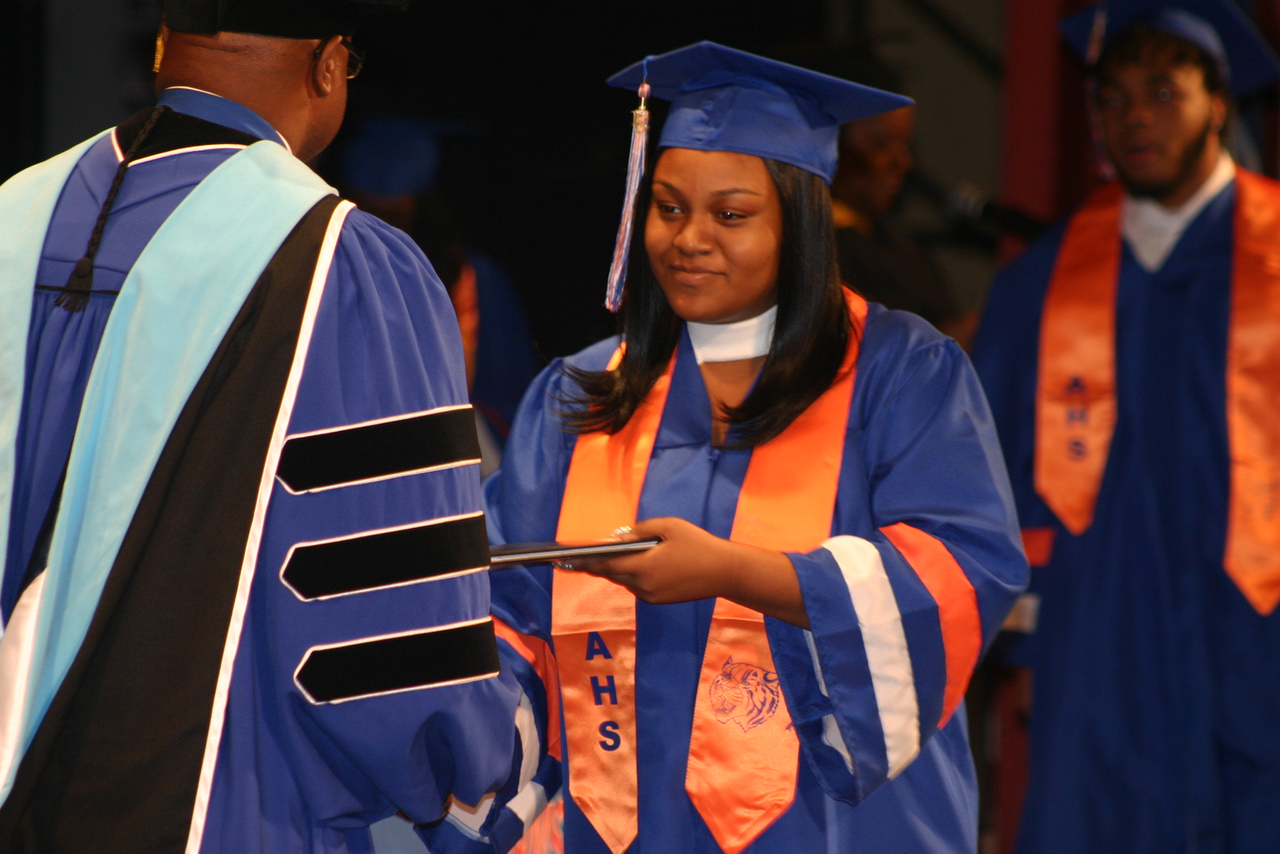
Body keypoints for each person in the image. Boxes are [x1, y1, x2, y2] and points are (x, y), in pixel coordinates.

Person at [432, 41, 1027, 853]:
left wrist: (736, 573)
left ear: (800, 224)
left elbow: (959, 569)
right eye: (669, 207)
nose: (690, 238)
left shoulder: (902, 374)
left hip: (835, 824)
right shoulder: (583, 394)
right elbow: (509, 610)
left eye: (731, 215)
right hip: (622, 822)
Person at [0, 1, 526, 851]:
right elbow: (390, 657)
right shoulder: (338, 265)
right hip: (230, 811)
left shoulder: (12, 215)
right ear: (328, 65)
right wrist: (482, 766)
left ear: (165, 44)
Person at [972, 2, 1280, 851]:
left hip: (1260, 629)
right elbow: (990, 476)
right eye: (1112, 97)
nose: (1135, 117)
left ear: (1219, 102)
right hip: (1099, 634)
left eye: (1163, 91)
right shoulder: (1040, 284)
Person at [829, 103, 975, 347]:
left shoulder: (899, 240)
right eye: (880, 144)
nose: (903, 162)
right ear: (833, 146)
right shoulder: (818, 247)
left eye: (905, 145)